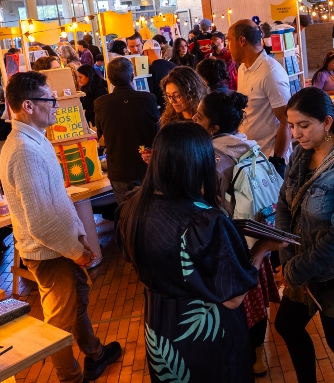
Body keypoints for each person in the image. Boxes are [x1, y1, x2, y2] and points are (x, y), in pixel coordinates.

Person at [118, 122, 281, 383]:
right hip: (208, 332)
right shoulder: (205, 220)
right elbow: (233, 298)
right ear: (200, 162)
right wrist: (263, 248)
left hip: (160, 328)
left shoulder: (133, 206)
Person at [1, 71, 122, 383]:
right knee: (58, 322)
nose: (54, 105)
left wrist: (78, 237)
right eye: (48, 99)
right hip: (48, 251)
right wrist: (74, 250)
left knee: (76, 304)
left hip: (59, 245)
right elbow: (40, 220)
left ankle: (94, 353)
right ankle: (71, 377)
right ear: (27, 105)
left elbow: (52, 200)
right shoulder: (24, 151)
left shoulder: (33, 140)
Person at [274, 87, 334, 383]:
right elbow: (283, 205)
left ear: (327, 123)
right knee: (287, 325)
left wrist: (293, 270)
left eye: (303, 125)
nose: (296, 134)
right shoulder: (301, 155)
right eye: (292, 126)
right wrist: (289, 257)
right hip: (303, 267)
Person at [191, 91, 281, 376]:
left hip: (230, 242)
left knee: (236, 303)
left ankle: (239, 354)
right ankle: (258, 355)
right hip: (258, 235)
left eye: (200, 116)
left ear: (213, 128)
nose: (194, 119)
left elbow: (204, 202)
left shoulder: (211, 157)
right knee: (257, 299)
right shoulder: (248, 145)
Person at [95, 57, 161, 214]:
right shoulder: (148, 98)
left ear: (109, 79)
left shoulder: (101, 103)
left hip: (119, 168)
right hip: (148, 165)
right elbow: (158, 131)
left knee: (127, 215)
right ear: (133, 76)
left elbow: (100, 136)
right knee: (154, 213)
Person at [228, 19, 292, 175]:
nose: (227, 47)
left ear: (241, 40)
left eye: (229, 41)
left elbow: (287, 120)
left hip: (269, 159)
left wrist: (277, 161)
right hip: (252, 156)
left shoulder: (270, 72)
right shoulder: (243, 68)